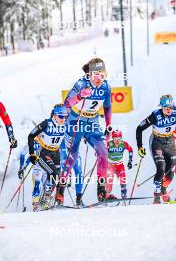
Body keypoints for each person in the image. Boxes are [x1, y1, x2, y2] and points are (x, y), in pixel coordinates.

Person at [55, 57, 113, 205]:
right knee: (72, 156)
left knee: (103, 152)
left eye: (102, 74)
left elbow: (107, 107)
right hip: (75, 120)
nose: (99, 78)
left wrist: (108, 125)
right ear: (89, 74)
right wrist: (80, 95)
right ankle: (60, 192)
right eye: (95, 75)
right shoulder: (81, 84)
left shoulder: (106, 87)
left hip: (92, 122)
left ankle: (102, 191)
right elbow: (66, 104)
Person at [136, 95, 176, 204]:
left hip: (170, 141)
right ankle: (157, 196)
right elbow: (139, 128)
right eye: (166, 108)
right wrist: (140, 146)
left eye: (171, 107)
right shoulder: (155, 116)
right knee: (161, 167)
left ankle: (163, 189)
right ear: (161, 107)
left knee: (171, 170)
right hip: (157, 141)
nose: (169, 110)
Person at [28, 104, 68, 209]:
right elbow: (31, 135)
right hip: (44, 152)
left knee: (56, 177)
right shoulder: (46, 123)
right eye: (61, 116)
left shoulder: (65, 124)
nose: (63, 119)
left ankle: (45, 200)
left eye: (65, 117)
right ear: (55, 115)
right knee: (53, 173)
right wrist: (32, 154)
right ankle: (44, 199)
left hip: (56, 153)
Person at [18, 142, 47, 211]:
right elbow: (22, 154)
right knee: (38, 183)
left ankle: (44, 202)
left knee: (47, 185)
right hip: (37, 168)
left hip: (47, 167)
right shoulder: (31, 141)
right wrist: (22, 167)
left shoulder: (48, 138)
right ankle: (35, 203)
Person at [106, 130, 133, 199]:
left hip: (119, 165)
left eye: (119, 139)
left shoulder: (123, 143)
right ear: (113, 138)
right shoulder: (109, 144)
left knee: (123, 179)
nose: (117, 141)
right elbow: (102, 149)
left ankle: (124, 196)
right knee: (109, 182)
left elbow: (130, 149)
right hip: (110, 165)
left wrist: (130, 161)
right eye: (115, 139)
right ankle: (106, 196)